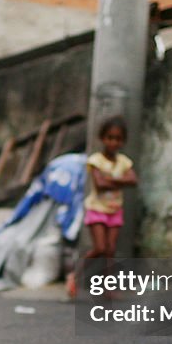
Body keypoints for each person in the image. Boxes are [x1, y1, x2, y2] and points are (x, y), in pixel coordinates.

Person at [66, 116, 138, 298]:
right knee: (100, 248)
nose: (113, 142)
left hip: (115, 210)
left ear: (123, 141)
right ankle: (75, 276)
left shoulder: (124, 162)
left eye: (118, 139)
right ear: (102, 138)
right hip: (97, 210)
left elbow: (133, 180)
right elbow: (100, 185)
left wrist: (110, 179)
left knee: (110, 251)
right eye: (110, 137)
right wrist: (120, 181)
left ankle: (108, 287)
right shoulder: (96, 160)